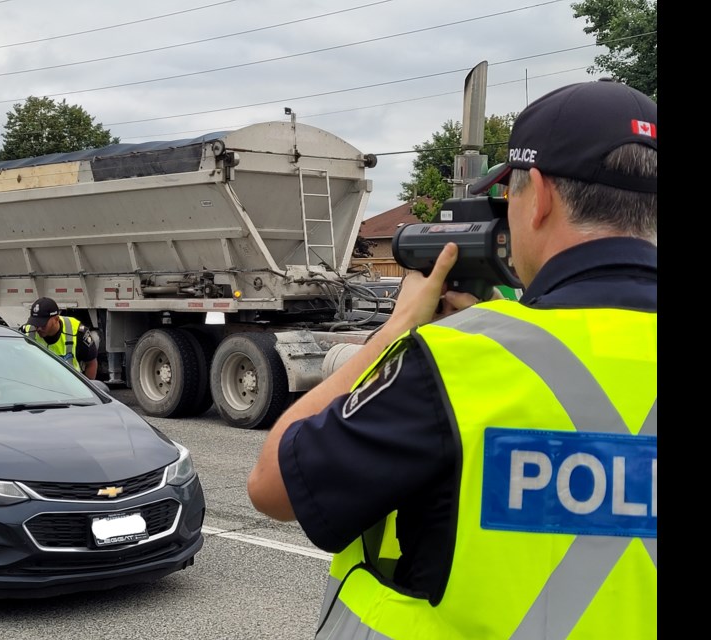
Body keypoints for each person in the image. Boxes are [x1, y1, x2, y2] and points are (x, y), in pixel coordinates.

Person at [247, 79, 656, 640]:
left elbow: (272, 486)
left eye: (506, 196)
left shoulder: (457, 363)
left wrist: (395, 331)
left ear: (538, 196)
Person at [21, 296, 99, 379]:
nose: (38, 328)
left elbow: (91, 363)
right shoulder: (26, 332)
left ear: (56, 319)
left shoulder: (77, 332)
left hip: (69, 388)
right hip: (38, 387)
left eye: (42, 324)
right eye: (35, 323)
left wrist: (86, 391)